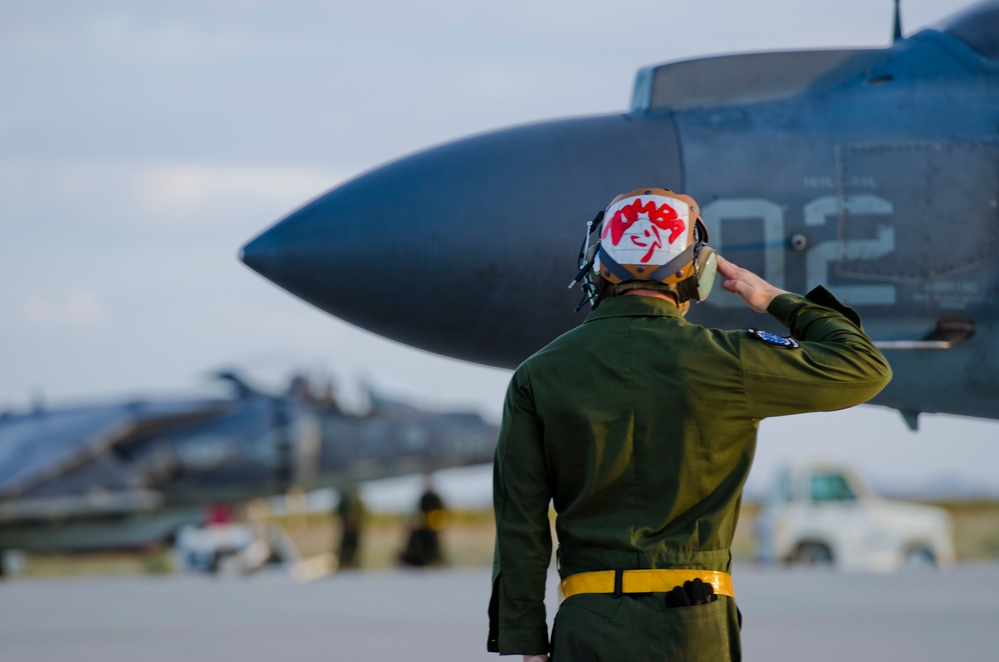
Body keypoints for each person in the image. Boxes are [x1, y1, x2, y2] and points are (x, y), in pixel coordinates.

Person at [487, 188, 891, 661]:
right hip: (695, 623)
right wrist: (775, 299)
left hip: (588, 625)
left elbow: (521, 522)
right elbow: (865, 367)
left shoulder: (538, 374)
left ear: (598, 265)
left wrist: (527, 642)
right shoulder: (730, 361)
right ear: (698, 270)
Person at [399, 474, 449, 567]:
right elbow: (419, 513)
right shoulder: (423, 498)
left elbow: (441, 514)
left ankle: (435, 561)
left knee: (433, 547)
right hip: (424, 528)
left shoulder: (435, 498)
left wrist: (436, 525)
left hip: (433, 529)